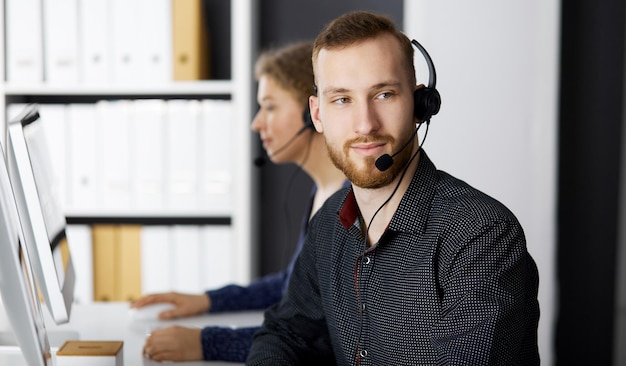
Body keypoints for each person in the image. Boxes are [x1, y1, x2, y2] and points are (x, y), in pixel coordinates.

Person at [247, 11, 540, 365]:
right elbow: (286, 334)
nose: (365, 124)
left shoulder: (481, 235)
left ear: (419, 105)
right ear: (318, 114)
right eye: (342, 99)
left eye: (383, 94)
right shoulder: (328, 223)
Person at [131, 41, 347, 362]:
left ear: (311, 110)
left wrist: (208, 342)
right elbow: (292, 288)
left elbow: (323, 337)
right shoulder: (324, 191)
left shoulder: (349, 208)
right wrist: (207, 300)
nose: (257, 123)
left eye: (270, 106)